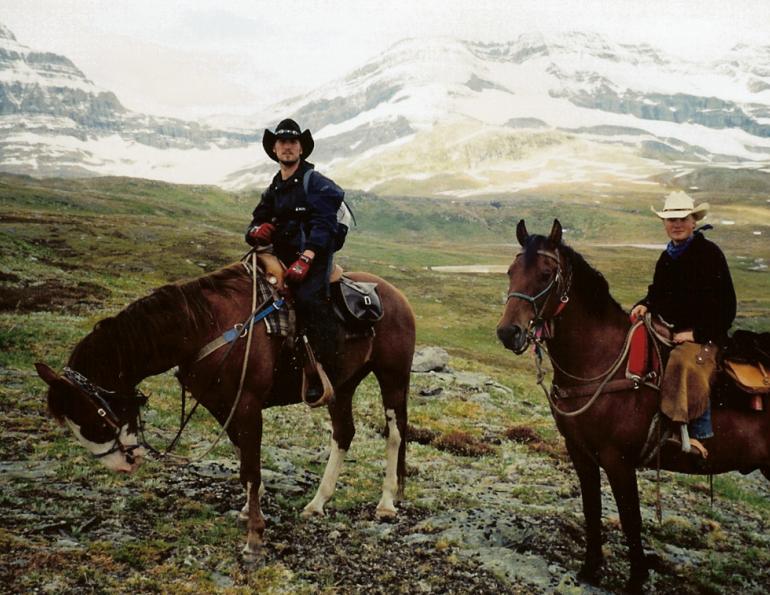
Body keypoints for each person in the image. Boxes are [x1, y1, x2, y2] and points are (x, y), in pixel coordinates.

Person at [245, 118, 345, 400]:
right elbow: (255, 222)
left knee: (309, 300)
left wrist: (308, 257)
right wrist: (256, 232)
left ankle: (324, 371)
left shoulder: (316, 183)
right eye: (282, 142)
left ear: (301, 149)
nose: (287, 147)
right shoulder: (274, 189)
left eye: (293, 142)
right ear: (274, 149)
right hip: (281, 257)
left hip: (314, 257)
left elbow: (325, 224)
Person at [630, 191, 736, 457]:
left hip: (706, 337)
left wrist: (696, 333)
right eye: (671, 219)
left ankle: (694, 432)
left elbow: (727, 306)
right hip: (673, 331)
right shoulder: (667, 257)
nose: (676, 224)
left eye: (682, 218)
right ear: (665, 224)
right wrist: (646, 303)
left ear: (693, 222)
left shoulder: (709, 254)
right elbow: (658, 292)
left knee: (683, 362)